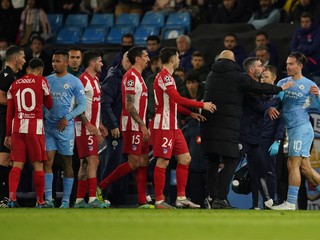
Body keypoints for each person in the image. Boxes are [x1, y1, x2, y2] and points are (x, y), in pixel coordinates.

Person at [201, 50, 293, 209]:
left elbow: (260, 97)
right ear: (251, 69)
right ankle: (219, 198)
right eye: (259, 66)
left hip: (239, 133)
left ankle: (268, 202)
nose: (262, 69)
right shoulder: (241, 80)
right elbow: (258, 99)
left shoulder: (212, 76)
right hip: (242, 134)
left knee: (262, 169)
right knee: (232, 162)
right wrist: (279, 92)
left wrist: (269, 104)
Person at [152, 47, 216, 209]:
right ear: (173, 59)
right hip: (164, 125)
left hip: (173, 125)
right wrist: (202, 105)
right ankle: (159, 200)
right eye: (178, 57)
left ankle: (181, 197)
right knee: (163, 161)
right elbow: (178, 98)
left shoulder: (170, 77)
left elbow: (173, 103)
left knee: (185, 158)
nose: (180, 60)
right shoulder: (164, 77)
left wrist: (190, 113)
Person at [98, 46, 153, 208]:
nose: (148, 59)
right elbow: (129, 106)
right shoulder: (130, 77)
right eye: (146, 56)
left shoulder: (140, 77)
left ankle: (142, 200)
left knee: (143, 161)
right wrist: (142, 125)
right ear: (137, 59)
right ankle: (101, 186)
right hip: (131, 126)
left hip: (139, 125)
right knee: (134, 162)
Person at [269, 52, 320, 210]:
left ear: (300, 66)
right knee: (305, 169)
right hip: (290, 130)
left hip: (301, 128)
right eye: (287, 63)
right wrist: (271, 105)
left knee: (292, 164)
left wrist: (318, 96)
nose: (287, 67)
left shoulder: (309, 85)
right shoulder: (283, 82)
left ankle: (290, 203)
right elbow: (275, 101)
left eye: (291, 64)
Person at [5, 58, 52, 208]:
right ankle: (40, 201)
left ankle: (12, 199)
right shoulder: (42, 81)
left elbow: (9, 113)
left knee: (17, 164)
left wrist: (8, 134)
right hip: (35, 128)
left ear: (27, 70)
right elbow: (49, 104)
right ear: (41, 70)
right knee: (38, 164)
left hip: (17, 128)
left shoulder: (14, 84)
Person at [43, 49, 86, 208]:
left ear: (66, 63)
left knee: (67, 163)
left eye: (58, 61)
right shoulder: (46, 80)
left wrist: (67, 118)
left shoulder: (75, 81)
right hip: (49, 127)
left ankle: (66, 201)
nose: (54, 64)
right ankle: (48, 199)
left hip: (65, 128)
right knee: (47, 161)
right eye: (53, 61)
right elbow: (42, 103)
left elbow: (82, 105)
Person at [73, 50, 109, 208]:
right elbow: (76, 105)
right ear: (92, 63)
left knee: (85, 164)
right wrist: (88, 124)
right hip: (84, 127)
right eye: (100, 61)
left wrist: (99, 124)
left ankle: (80, 200)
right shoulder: (82, 81)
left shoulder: (94, 80)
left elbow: (95, 105)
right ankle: (93, 198)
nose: (102, 64)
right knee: (93, 160)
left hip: (92, 127)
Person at [99, 51, 132, 206]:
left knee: (123, 162)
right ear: (124, 61)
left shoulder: (130, 77)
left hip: (127, 127)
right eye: (128, 60)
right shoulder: (114, 78)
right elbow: (105, 103)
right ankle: (100, 193)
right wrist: (113, 125)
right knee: (113, 161)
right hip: (116, 128)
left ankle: (114, 197)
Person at [0, 45, 25, 206]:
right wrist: (18, 106)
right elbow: (0, 97)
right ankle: (2, 198)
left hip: (10, 123)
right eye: (22, 57)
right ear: (15, 59)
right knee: (4, 159)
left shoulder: (14, 76)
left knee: (8, 160)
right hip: (3, 122)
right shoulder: (5, 75)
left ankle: (6, 197)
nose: (24, 61)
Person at [290, 12, 320, 76]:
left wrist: (300, 48)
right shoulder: (298, 31)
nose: (304, 24)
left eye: (307, 22)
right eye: (302, 22)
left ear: (311, 22)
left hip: (313, 59)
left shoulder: (317, 32)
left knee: (301, 66)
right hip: (299, 58)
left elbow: (314, 48)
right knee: (290, 64)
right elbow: (292, 46)